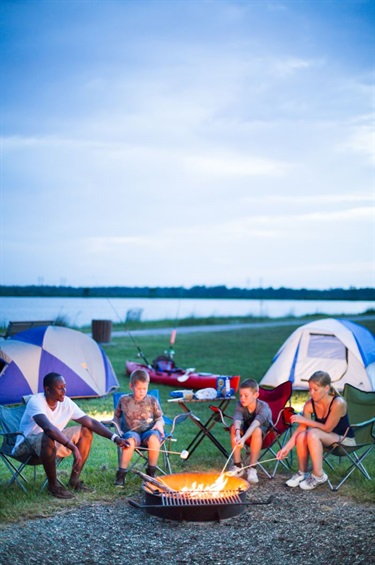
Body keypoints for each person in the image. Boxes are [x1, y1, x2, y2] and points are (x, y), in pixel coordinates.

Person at [12, 372, 129, 499]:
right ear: (47, 389)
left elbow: (91, 422)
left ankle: (74, 481)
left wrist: (115, 438)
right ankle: (54, 486)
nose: (64, 391)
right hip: (26, 446)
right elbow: (48, 429)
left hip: (51, 443)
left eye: (64, 387)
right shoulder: (36, 401)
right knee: (48, 435)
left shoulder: (66, 403)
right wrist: (73, 447)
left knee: (86, 430)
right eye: (60, 388)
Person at [277, 370, 355, 491]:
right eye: (310, 389)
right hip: (323, 439)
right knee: (303, 434)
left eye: (315, 389)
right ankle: (302, 473)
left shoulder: (338, 403)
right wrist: (286, 448)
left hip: (344, 440)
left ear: (326, 388)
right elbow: (302, 428)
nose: (311, 392)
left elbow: (327, 428)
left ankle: (319, 476)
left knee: (312, 433)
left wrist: (304, 420)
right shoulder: (310, 404)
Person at [113, 368, 165, 487]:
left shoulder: (152, 400)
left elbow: (160, 418)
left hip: (149, 432)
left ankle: (151, 472)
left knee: (154, 439)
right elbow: (116, 417)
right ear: (131, 386)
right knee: (129, 442)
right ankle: (121, 473)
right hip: (131, 433)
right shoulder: (124, 400)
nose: (142, 392)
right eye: (139, 389)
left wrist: (159, 424)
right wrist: (118, 428)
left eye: (145, 389)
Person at [230, 378, 273, 483]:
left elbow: (255, 425)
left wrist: (243, 438)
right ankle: (237, 466)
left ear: (256, 395)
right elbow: (237, 419)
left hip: (264, 432)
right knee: (233, 427)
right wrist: (237, 434)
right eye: (240, 395)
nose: (242, 399)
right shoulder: (241, 405)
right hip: (247, 428)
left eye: (246, 395)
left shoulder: (264, 408)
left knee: (256, 430)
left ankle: (252, 468)